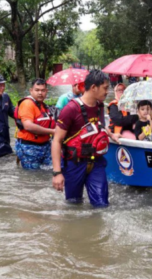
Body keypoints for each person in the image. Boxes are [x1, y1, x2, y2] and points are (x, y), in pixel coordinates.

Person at [51, 69, 120, 207]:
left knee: (102, 205)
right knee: (73, 205)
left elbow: (97, 127)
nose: (108, 92)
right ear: (93, 87)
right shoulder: (70, 109)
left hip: (97, 162)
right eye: (105, 88)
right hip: (74, 164)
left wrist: (111, 134)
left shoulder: (100, 106)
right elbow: (57, 140)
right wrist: (57, 172)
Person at [14, 78, 55, 169]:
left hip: (45, 146)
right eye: (37, 90)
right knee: (32, 176)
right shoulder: (27, 104)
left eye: (43, 90)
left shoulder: (43, 105)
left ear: (46, 91)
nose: (40, 93)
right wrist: (53, 131)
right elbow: (28, 126)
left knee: (49, 171)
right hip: (29, 146)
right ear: (31, 90)